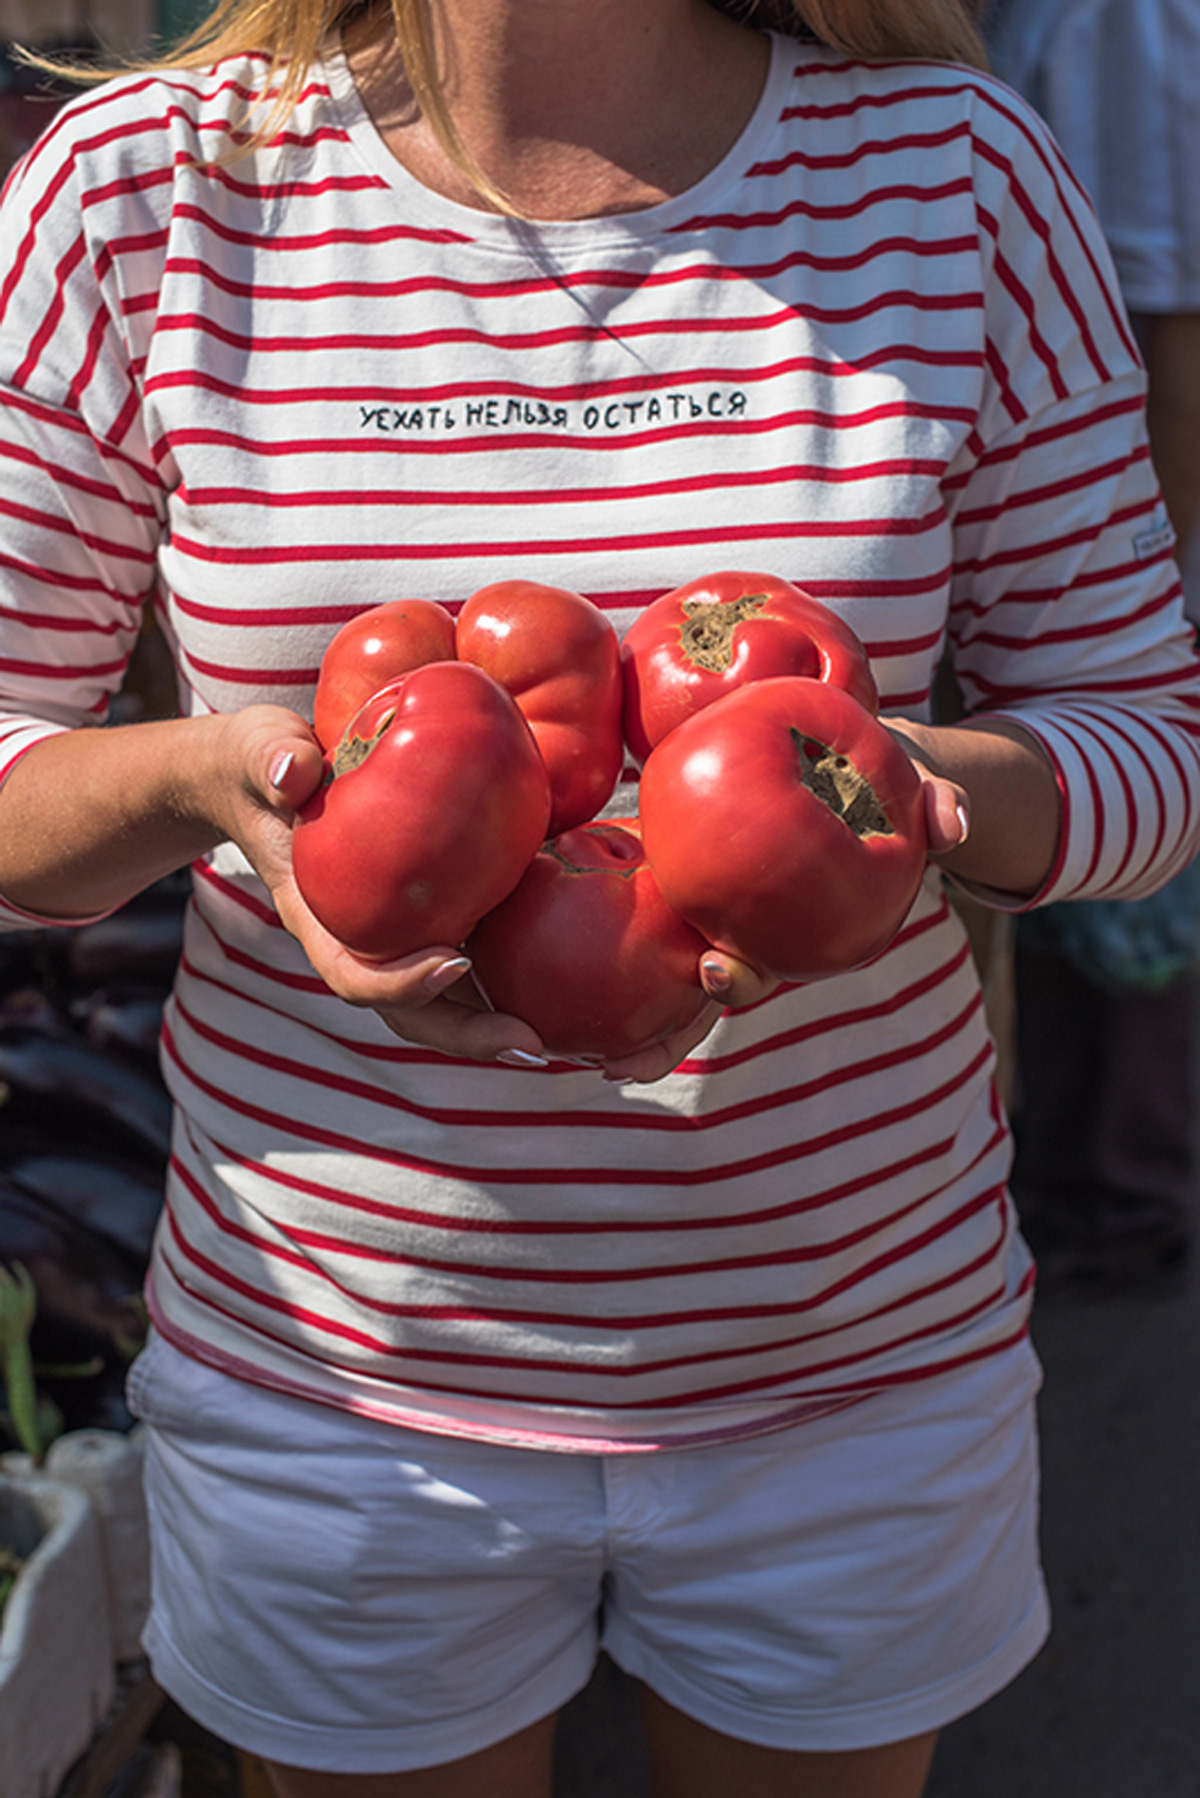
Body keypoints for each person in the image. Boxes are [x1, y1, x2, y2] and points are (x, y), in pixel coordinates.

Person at [1, 2, 1198, 1793]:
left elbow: (1149, 757)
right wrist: (205, 786)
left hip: (851, 1368)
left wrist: (906, 804)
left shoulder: (955, 178)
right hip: (341, 1382)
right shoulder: (145, 195)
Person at [986, 0, 1200, 1286]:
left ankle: (1115, 1203)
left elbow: (1171, 341)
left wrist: (1152, 603)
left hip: (1115, 518)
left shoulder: (1116, 19)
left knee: (1113, 885)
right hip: (1070, 499)